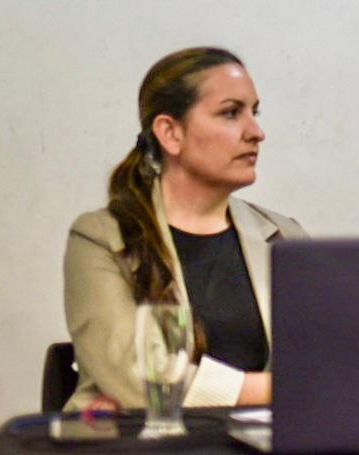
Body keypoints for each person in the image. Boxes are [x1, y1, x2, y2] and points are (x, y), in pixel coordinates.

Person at [63, 47, 305, 411]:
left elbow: (325, 364)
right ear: (170, 133)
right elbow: (137, 380)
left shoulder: (285, 237)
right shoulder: (100, 237)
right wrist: (274, 389)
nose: (256, 132)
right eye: (230, 113)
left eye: (254, 113)